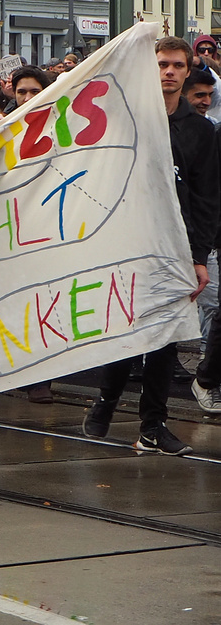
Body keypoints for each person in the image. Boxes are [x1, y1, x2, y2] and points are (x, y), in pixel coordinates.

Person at [89, 37, 216, 454]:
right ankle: (107, 399)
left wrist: (198, 257)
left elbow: (205, 197)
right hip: (126, 240)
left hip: (174, 247)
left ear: (188, 69)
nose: (169, 72)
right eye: (162, 63)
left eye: (178, 65)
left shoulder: (199, 130)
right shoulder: (128, 117)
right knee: (126, 329)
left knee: (164, 336)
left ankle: (152, 425)